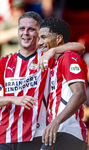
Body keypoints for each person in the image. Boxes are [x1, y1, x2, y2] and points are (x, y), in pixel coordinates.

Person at [0, 11, 85, 150]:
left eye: (31, 29)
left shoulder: (46, 57)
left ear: (39, 34)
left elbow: (79, 47)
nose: (25, 33)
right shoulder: (5, 62)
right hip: (4, 136)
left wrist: (53, 51)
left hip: (34, 136)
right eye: (22, 29)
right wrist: (13, 99)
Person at [38, 18, 88, 150]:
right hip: (56, 132)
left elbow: (80, 94)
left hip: (67, 132)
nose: (39, 42)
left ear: (59, 38)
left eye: (43, 37)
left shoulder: (68, 57)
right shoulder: (52, 62)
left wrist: (56, 121)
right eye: (39, 38)